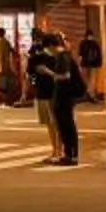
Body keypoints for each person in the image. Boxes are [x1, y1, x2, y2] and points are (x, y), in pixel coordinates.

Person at [35, 28, 81, 165]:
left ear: (50, 46)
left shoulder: (62, 56)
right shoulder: (63, 56)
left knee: (66, 126)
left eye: (47, 48)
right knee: (66, 126)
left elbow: (66, 75)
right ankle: (70, 154)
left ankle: (70, 155)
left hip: (65, 97)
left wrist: (50, 73)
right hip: (64, 96)